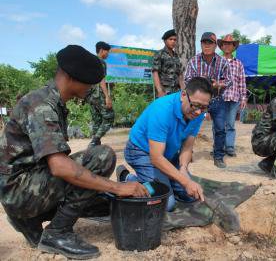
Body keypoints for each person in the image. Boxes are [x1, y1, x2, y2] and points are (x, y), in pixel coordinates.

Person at [0, 45, 149, 259]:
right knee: (102, 156)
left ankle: (28, 221)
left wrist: (110, 191)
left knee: (104, 204)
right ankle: (57, 232)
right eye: (89, 82)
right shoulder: (41, 105)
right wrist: (117, 187)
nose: (91, 87)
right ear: (71, 78)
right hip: (19, 191)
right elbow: (60, 167)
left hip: (26, 185)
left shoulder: (53, 101)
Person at [120, 77, 211, 212]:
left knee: (191, 195)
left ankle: (161, 181)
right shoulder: (162, 110)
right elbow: (156, 158)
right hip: (141, 152)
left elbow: (187, 146)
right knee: (166, 203)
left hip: (166, 154)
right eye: (196, 105)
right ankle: (128, 178)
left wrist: (183, 169)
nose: (198, 112)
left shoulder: (197, 114)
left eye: (203, 107)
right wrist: (185, 181)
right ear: (183, 95)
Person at [184, 32, 232, 168]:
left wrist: (218, 84)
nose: (207, 45)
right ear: (201, 44)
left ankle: (218, 157)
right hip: (198, 102)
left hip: (217, 99)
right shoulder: (194, 60)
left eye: (210, 42)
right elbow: (187, 79)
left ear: (215, 45)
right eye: (204, 42)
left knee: (220, 129)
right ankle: (187, 153)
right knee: (190, 126)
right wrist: (199, 83)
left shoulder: (222, 61)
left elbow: (229, 81)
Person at [217, 34, 247, 157]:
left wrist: (243, 97)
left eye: (230, 44)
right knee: (218, 125)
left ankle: (229, 147)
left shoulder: (238, 63)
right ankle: (218, 147)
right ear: (222, 46)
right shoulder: (217, 61)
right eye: (225, 44)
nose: (227, 46)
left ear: (233, 47)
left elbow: (242, 81)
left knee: (230, 124)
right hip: (220, 97)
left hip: (234, 97)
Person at [85, 41, 115, 148]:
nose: (108, 54)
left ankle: (95, 145)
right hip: (99, 94)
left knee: (96, 120)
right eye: (107, 52)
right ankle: (95, 140)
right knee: (109, 117)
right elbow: (101, 79)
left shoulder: (89, 62)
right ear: (102, 50)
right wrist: (107, 96)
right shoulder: (101, 62)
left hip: (89, 95)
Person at [152, 29, 184, 97]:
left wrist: (183, 90)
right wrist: (159, 91)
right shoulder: (159, 54)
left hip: (176, 91)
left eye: (175, 40)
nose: (173, 41)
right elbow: (155, 73)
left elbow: (180, 75)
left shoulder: (176, 56)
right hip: (164, 91)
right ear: (165, 41)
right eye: (170, 39)